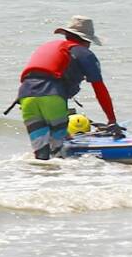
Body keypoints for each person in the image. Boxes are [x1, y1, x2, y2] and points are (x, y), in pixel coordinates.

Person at [14, 16, 117, 160]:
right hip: (52, 97)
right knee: (58, 152)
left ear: (67, 34)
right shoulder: (84, 53)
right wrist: (112, 121)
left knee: (42, 155)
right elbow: (99, 89)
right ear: (87, 40)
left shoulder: (48, 47)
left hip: (25, 97)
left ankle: (39, 180)